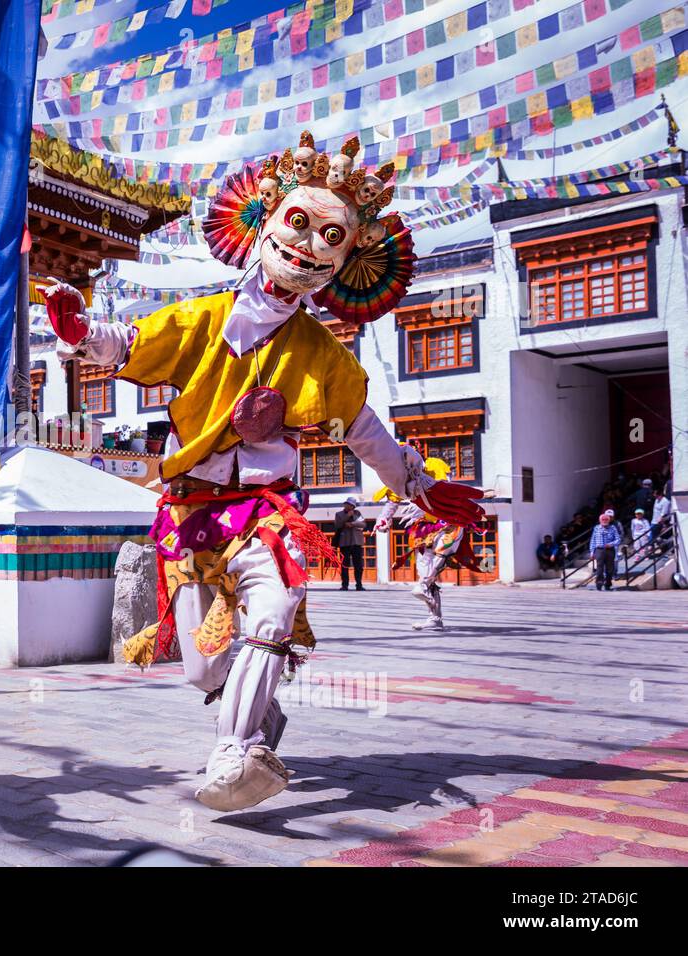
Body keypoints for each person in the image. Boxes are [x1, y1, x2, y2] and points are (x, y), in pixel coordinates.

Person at [40, 130, 484, 812]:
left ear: (345, 262)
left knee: (273, 610)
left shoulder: (321, 354)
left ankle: (233, 750)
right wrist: (79, 334)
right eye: (300, 224)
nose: (308, 246)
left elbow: (364, 434)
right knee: (201, 668)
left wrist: (420, 486)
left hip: (265, 511)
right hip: (189, 512)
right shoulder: (199, 319)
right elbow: (128, 344)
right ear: (264, 220)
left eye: (331, 237)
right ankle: (256, 721)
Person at [375, 455, 486, 631]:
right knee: (424, 569)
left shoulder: (433, 466)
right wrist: (383, 518)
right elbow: (392, 501)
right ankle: (435, 617)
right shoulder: (398, 477)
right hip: (423, 525)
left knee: (443, 550)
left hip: (448, 519)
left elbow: (444, 487)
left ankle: (424, 585)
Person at [333, 496, 366, 590]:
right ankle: (344, 585)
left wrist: (353, 524)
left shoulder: (358, 513)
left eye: (350, 505)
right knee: (344, 565)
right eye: (346, 504)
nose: (347, 506)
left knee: (358, 565)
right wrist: (347, 516)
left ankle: (359, 585)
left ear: (353, 506)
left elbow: (363, 524)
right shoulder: (339, 514)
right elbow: (338, 525)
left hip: (356, 542)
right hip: (345, 542)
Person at [590, 510, 621, 591]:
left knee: (610, 568)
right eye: (603, 520)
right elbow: (593, 540)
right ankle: (599, 583)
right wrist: (592, 552)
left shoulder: (613, 528)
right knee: (599, 568)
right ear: (600, 520)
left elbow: (618, 539)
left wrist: (611, 544)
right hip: (599, 550)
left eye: (606, 519)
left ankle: (608, 583)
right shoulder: (596, 528)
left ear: (609, 520)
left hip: (610, 550)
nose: (604, 521)